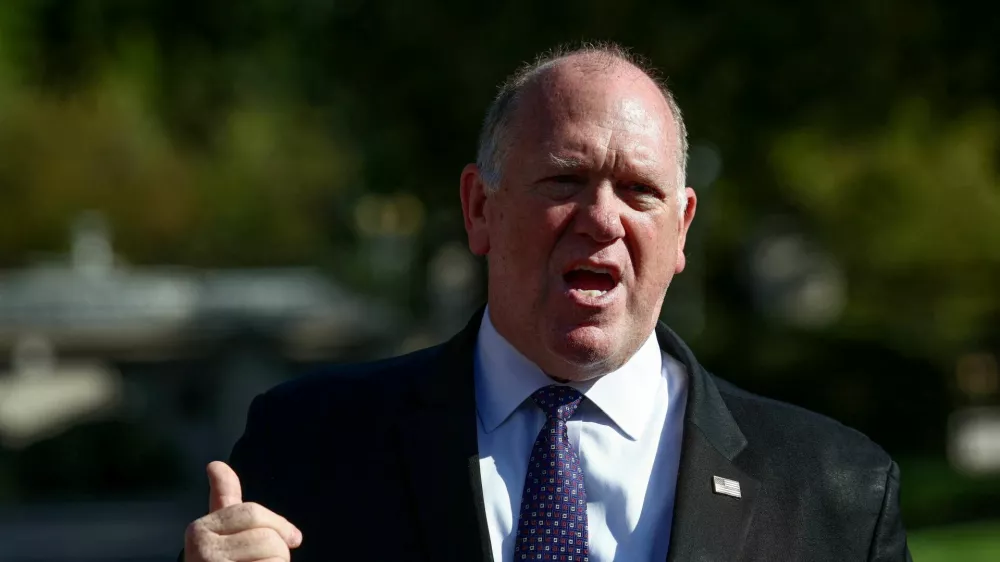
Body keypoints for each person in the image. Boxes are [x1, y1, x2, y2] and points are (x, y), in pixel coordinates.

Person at [182, 43, 911, 562]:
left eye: (639, 191)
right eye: (565, 181)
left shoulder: (836, 490)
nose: (602, 219)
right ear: (479, 208)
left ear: (681, 229)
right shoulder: (310, 443)